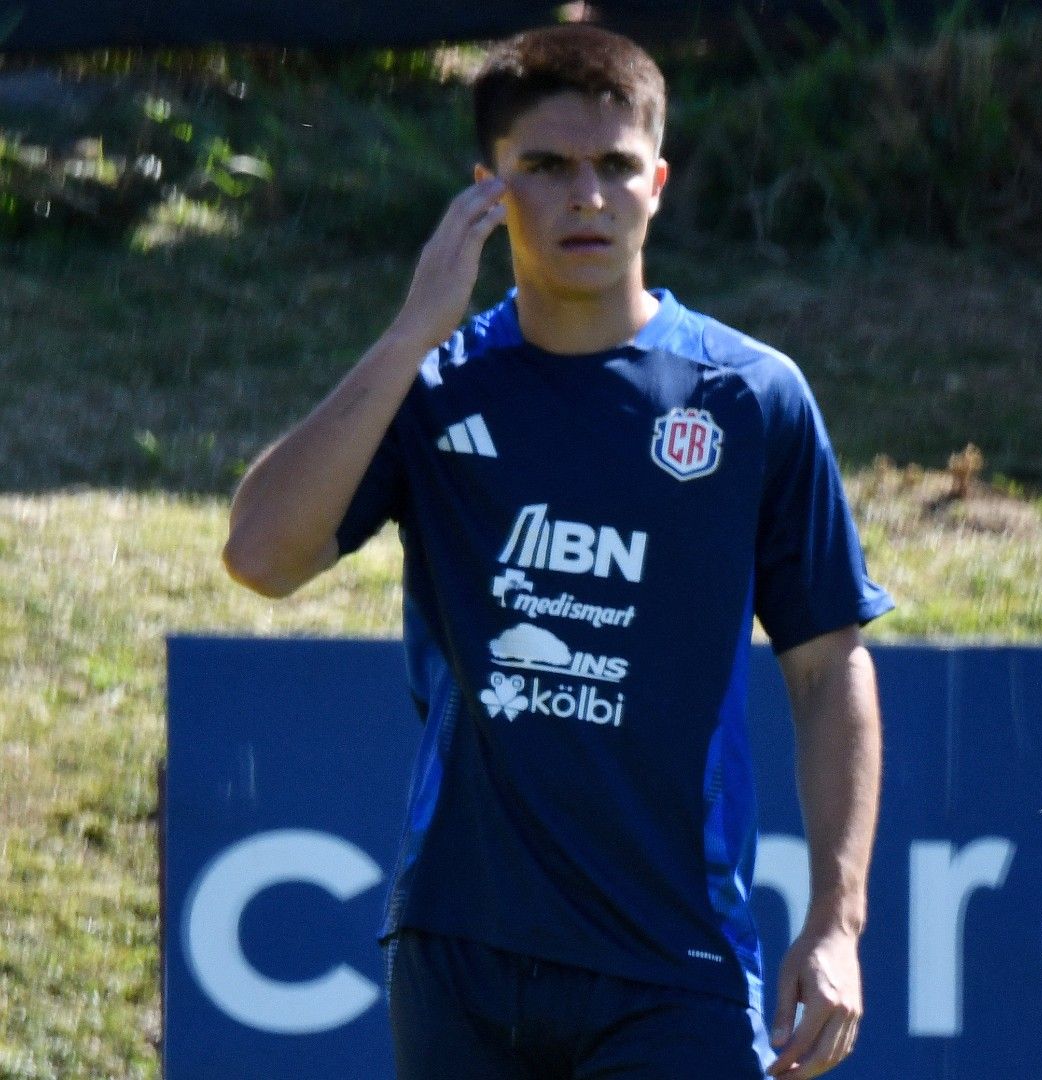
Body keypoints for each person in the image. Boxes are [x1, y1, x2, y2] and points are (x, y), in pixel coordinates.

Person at [222, 25, 891, 1080]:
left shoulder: (749, 395)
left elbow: (829, 664)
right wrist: (411, 331)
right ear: (486, 190)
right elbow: (262, 554)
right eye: (546, 166)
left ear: (657, 184)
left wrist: (838, 923)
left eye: (615, 166)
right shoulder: (436, 387)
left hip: (676, 963)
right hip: (459, 955)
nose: (588, 195)